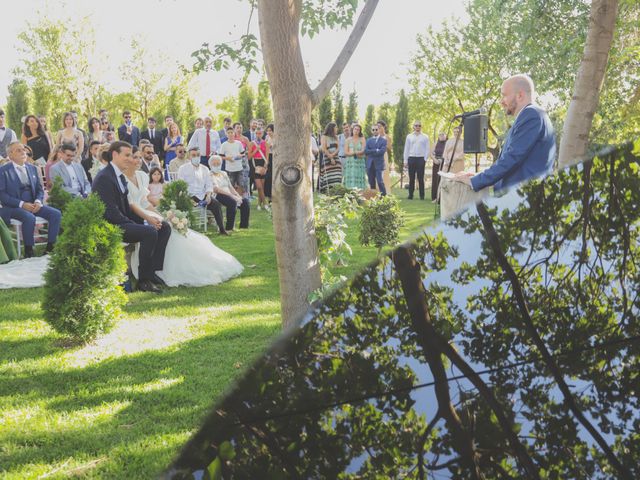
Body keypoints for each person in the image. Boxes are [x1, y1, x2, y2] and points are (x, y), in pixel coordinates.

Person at [124, 151, 242, 288]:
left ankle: (156, 269)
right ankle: (152, 271)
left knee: (168, 225)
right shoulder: (123, 179)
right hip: (135, 215)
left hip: (146, 211)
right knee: (161, 229)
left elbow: (145, 202)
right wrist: (149, 218)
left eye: (140, 157)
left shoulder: (142, 176)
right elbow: (132, 204)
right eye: (135, 157)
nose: (138, 160)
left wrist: (161, 215)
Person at [455, 75, 556, 193]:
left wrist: (475, 181)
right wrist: (479, 175)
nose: (501, 101)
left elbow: (512, 158)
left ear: (520, 95)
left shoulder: (531, 115)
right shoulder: (530, 115)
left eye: (504, 95)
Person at [92, 141, 170, 292]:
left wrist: (145, 218)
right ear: (115, 155)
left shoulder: (118, 175)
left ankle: (152, 271)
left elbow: (127, 206)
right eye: (126, 155)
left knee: (163, 226)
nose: (129, 158)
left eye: (131, 155)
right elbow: (109, 212)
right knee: (150, 232)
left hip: (121, 219)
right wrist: (136, 224)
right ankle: (143, 281)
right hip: (111, 224)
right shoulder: (104, 177)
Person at [0, 142, 61, 258]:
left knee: (56, 214)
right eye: (18, 150)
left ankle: (50, 248)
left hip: (34, 204)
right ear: (10, 155)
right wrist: (22, 204)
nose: (23, 152)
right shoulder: (3, 171)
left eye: (23, 149)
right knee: (29, 217)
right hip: (12, 207)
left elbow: (39, 189)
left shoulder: (32, 168)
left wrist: (38, 201)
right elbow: (2, 195)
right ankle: (29, 251)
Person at [177, 149, 228, 235]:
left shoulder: (205, 169)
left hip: (203, 195)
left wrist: (208, 195)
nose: (196, 157)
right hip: (189, 196)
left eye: (198, 155)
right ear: (189, 157)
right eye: (193, 155)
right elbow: (181, 186)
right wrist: (187, 198)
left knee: (216, 204)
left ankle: (222, 229)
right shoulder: (183, 168)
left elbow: (209, 185)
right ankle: (186, 229)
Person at [209, 155, 250, 230]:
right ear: (210, 165)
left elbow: (230, 186)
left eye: (218, 164)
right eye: (214, 164)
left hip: (229, 194)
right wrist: (232, 196)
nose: (216, 166)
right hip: (218, 195)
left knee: (245, 202)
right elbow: (216, 189)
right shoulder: (209, 175)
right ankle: (229, 227)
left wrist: (237, 195)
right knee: (232, 202)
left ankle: (244, 226)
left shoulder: (223, 173)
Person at [403, 121, 430, 200]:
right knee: (411, 178)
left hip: (421, 159)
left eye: (419, 125)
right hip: (411, 158)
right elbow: (406, 149)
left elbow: (427, 149)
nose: (418, 127)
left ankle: (422, 196)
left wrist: (425, 159)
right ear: (413, 126)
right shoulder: (409, 136)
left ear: (421, 127)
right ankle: (410, 195)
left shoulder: (425, 137)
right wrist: (405, 160)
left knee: (420, 178)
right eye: (416, 125)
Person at [248, 127, 270, 210]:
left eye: (260, 133)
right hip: (255, 165)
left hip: (263, 164)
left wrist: (265, 166)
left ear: (263, 134)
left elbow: (267, 156)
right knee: (259, 187)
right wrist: (255, 150)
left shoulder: (265, 143)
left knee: (262, 186)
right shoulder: (251, 143)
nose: (258, 135)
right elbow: (249, 157)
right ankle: (265, 203)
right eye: (256, 133)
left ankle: (259, 204)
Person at [364, 123, 388, 195]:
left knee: (380, 181)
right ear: (371, 131)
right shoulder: (368, 140)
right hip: (370, 164)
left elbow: (382, 152)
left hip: (379, 164)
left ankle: (384, 197)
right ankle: (373, 197)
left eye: (376, 129)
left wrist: (372, 151)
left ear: (379, 130)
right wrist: (376, 150)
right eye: (373, 129)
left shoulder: (383, 140)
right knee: (371, 182)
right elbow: (366, 151)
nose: (375, 131)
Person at [320, 122, 342, 192]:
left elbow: (338, 148)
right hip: (327, 159)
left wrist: (333, 156)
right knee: (328, 176)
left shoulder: (336, 137)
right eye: (336, 127)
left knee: (337, 175)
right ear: (332, 128)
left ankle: (337, 191)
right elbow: (324, 148)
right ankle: (328, 192)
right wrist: (331, 157)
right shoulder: (324, 137)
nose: (337, 129)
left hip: (336, 159)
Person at [343, 123, 366, 189]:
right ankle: (350, 193)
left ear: (360, 131)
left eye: (358, 130)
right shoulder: (348, 140)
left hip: (360, 162)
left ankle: (360, 194)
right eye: (355, 129)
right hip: (350, 162)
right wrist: (356, 153)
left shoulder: (362, 139)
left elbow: (363, 150)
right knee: (351, 176)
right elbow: (346, 152)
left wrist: (354, 153)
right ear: (352, 130)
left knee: (359, 176)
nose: (356, 131)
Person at [431, 132, 447, 201]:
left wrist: (442, 159)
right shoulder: (435, 143)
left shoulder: (447, 143)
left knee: (442, 180)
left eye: (443, 134)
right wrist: (434, 159)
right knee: (435, 179)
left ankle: (441, 198)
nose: (441, 136)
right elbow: (431, 153)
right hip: (436, 163)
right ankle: (434, 197)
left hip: (444, 163)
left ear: (446, 136)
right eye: (440, 135)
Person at [377, 121, 393, 194]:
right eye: (378, 126)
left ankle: (386, 191)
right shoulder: (376, 136)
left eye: (380, 126)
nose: (379, 127)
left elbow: (389, 148)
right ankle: (377, 191)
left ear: (384, 127)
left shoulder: (387, 137)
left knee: (385, 174)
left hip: (384, 156)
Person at [264, 123, 274, 200]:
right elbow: (266, 150)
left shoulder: (278, 138)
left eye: (270, 130)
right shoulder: (267, 138)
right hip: (269, 157)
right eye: (267, 131)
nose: (268, 132)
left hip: (276, 158)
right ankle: (269, 196)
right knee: (268, 177)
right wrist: (266, 160)